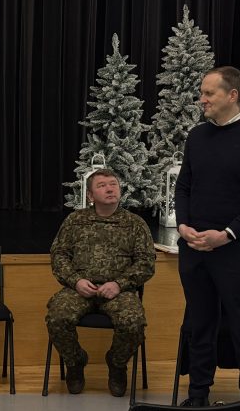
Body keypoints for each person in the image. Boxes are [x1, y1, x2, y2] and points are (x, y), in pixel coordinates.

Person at [175, 66, 240, 407]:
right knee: (200, 324)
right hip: (194, 247)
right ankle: (197, 396)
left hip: (237, 250)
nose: (202, 99)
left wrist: (227, 235)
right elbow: (184, 187)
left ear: (232, 95)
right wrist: (183, 226)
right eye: (202, 93)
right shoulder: (197, 136)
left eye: (209, 93)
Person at [46, 169, 155, 397]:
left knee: (134, 323)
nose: (109, 188)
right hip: (79, 289)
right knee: (57, 317)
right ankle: (75, 363)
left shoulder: (134, 224)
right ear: (90, 196)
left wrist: (119, 283)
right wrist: (76, 281)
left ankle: (116, 365)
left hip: (118, 291)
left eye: (113, 184)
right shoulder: (75, 221)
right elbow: (59, 255)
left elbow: (146, 263)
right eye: (102, 185)